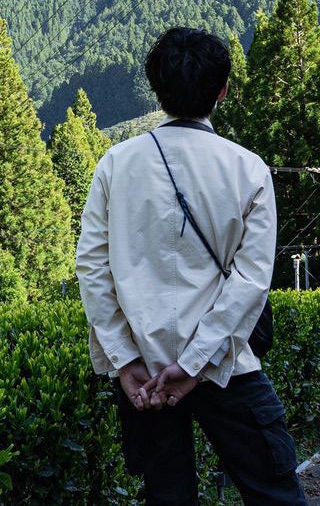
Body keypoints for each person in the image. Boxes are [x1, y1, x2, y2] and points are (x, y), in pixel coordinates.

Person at [75, 26, 304, 506]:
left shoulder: (115, 163)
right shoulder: (248, 168)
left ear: (155, 89)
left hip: (145, 370)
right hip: (227, 366)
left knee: (167, 496)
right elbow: (251, 280)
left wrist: (126, 361)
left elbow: (92, 269)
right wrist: (195, 363)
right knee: (274, 492)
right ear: (222, 90)